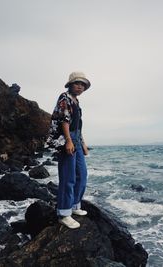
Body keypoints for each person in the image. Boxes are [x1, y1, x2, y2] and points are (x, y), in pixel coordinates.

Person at [48, 72, 91, 229]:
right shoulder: (64, 97)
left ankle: (74, 205)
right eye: (77, 83)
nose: (80, 86)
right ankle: (64, 214)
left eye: (83, 85)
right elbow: (64, 121)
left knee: (82, 174)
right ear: (70, 84)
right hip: (68, 139)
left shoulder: (77, 102)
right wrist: (68, 141)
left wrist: (83, 143)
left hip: (77, 140)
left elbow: (77, 126)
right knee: (68, 176)